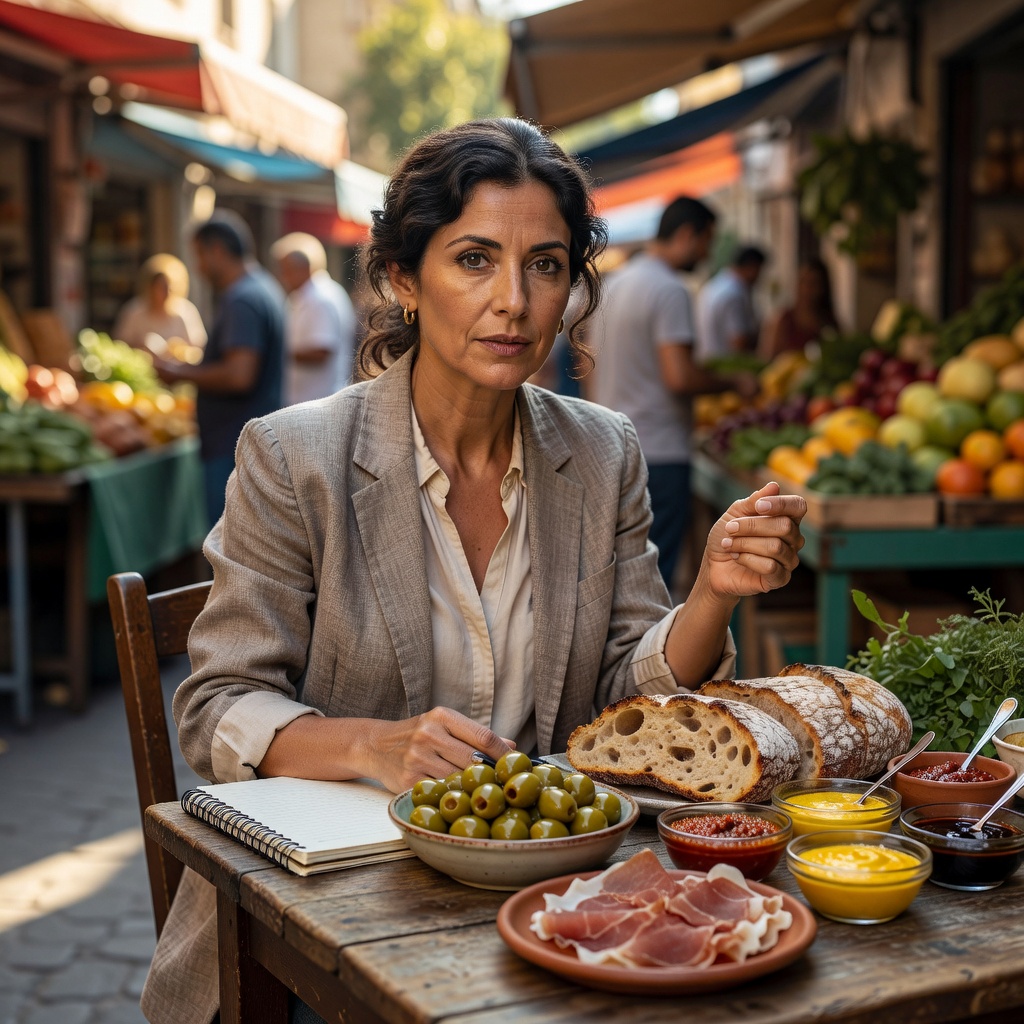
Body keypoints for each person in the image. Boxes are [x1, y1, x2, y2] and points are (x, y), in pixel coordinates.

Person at [140, 119, 805, 1024]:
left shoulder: (602, 452)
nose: (514, 302)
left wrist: (713, 594)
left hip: (553, 896)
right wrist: (371, 746)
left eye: (545, 265)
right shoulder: (295, 457)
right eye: (474, 260)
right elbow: (216, 706)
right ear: (404, 279)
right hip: (325, 914)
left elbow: (628, 698)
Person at [588, 197, 756, 592]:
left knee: (618, 578)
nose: (707, 255)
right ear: (685, 235)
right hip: (659, 453)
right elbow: (679, 376)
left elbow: (589, 369)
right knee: (651, 581)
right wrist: (734, 383)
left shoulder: (616, 284)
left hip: (611, 446)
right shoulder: (670, 290)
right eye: (706, 242)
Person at [153, 211, 285, 528]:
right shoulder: (262, 288)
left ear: (217, 251)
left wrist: (179, 373)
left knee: (229, 545)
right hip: (247, 442)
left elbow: (239, 376)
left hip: (233, 446)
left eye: (199, 255)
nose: (198, 267)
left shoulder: (242, 299)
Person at [269, 232, 357, 405]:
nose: (282, 276)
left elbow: (321, 351)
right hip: (310, 400)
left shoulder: (320, 298)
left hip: (318, 400)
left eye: (286, 270)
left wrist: (277, 352)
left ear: (304, 268)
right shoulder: (308, 295)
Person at [112, 253, 206, 350]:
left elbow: (199, 348)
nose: (166, 293)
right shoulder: (134, 311)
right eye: (161, 288)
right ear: (150, 288)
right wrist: (140, 347)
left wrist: (178, 349)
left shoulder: (186, 312)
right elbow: (120, 344)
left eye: (169, 288)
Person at [696, 245, 767, 360]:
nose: (760, 277)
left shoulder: (715, 285)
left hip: (708, 359)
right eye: (759, 270)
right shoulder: (734, 294)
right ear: (751, 267)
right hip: (725, 364)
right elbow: (738, 342)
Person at [759, 257, 839, 360]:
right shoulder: (783, 321)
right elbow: (767, 359)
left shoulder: (829, 323)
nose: (806, 289)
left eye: (813, 283)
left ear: (823, 288)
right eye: (802, 282)